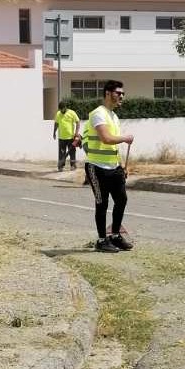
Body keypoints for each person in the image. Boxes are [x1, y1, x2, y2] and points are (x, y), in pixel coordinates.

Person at [81, 80, 134, 253]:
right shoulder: (98, 114)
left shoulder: (114, 116)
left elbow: (113, 145)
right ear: (107, 94)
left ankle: (115, 236)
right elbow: (106, 138)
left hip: (113, 167)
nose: (121, 97)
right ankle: (102, 240)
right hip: (96, 167)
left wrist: (121, 165)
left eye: (123, 94)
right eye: (118, 93)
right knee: (102, 203)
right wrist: (126, 138)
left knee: (122, 199)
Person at [52, 101, 81, 171]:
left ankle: (73, 165)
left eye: (62, 109)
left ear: (65, 107)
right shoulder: (58, 114)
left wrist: (76, 133)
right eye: (60, 109)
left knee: (72, 152)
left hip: (71, 137)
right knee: (62, 152)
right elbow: (56, 123)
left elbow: (78, 122)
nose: (61, 111)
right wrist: (54, 132)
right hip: (61, 138)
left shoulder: (72, 113)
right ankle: (61, 166)